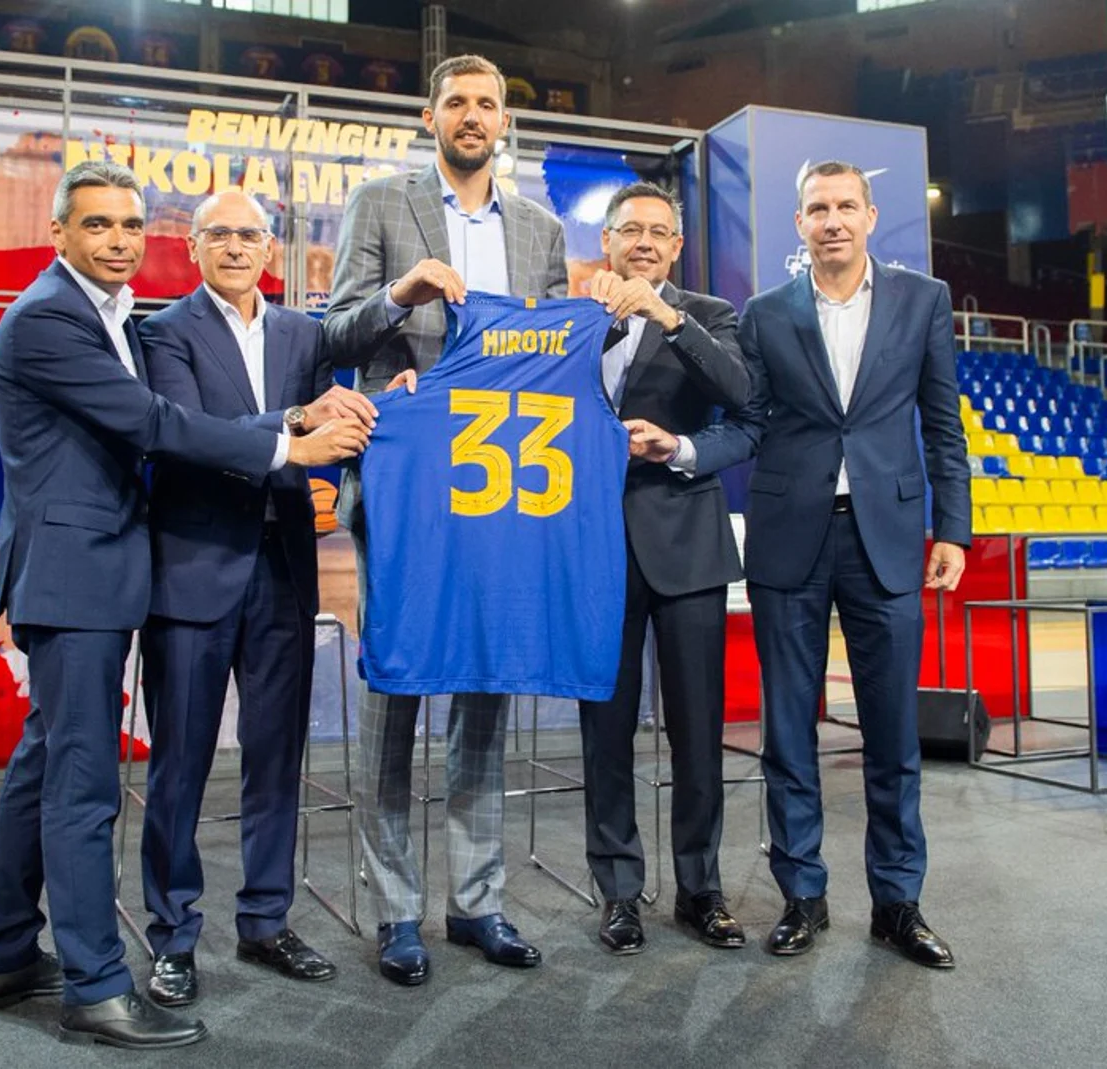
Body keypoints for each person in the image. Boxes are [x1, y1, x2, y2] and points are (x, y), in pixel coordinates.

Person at [0, 161, 366, 1050]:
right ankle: (99, 986)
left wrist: (302, 419)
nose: (116, 239)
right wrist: (289, 446)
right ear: (59, 231)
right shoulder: (50, 318)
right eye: (98, 224)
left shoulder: (102, 314)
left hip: (101, 570)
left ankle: (5, 953)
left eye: (126, 225)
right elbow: (155, 425)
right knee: (81, 788)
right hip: (81, 573)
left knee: (43, 764)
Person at [321, 53, 569, 986]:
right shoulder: (382, 207)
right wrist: (401, 298)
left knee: (484, 695)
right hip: (407, 486)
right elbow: (334, 330)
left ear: (505, 122)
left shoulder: (540, 230)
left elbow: (545, 357)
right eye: (457, 103)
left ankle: (478, 901)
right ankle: (395, 910)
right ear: (430, 118)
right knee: (394, 693)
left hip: (501, 493)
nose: (473, 117)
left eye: (488, 104)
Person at [700, 159, 971, 969]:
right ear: (799, 224)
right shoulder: (763, 313)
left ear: (870, 213)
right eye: (817, 207)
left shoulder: (924, 299)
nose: (832, 220)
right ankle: (802, 895)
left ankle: (898, 902)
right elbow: (747, 421)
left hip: (886, 540)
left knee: (893, 735)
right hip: (791, 538)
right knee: (789, 730)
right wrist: (680, 451)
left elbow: (942, 423)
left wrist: (951, 530)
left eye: (845, 205)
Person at [134, 191, 382, 1008]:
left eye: (249, 234)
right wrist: (297, 421)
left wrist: (391, 403)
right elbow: (190, 435)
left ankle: (266, 919)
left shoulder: (304, 334)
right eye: (220, 234)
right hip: (193, 571)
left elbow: (331, 435)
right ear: (193, 247)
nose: (236, 246)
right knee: (180, 764)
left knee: (277, 760)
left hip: (281, 572)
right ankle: (173, 934)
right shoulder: (161, 332)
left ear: (270, 247)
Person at [575, 182, 752, 954]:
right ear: (607, 242)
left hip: (686, 545)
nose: (644, 242)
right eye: (630, 230)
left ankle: (700, 889)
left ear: (677, 246)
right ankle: (618, 890)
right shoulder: (572, 318)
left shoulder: (708, 315)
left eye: (659, 231)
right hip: (590, 548)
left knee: (697, 731)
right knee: (604, 730)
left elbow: (744, 404)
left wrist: (665, 317)